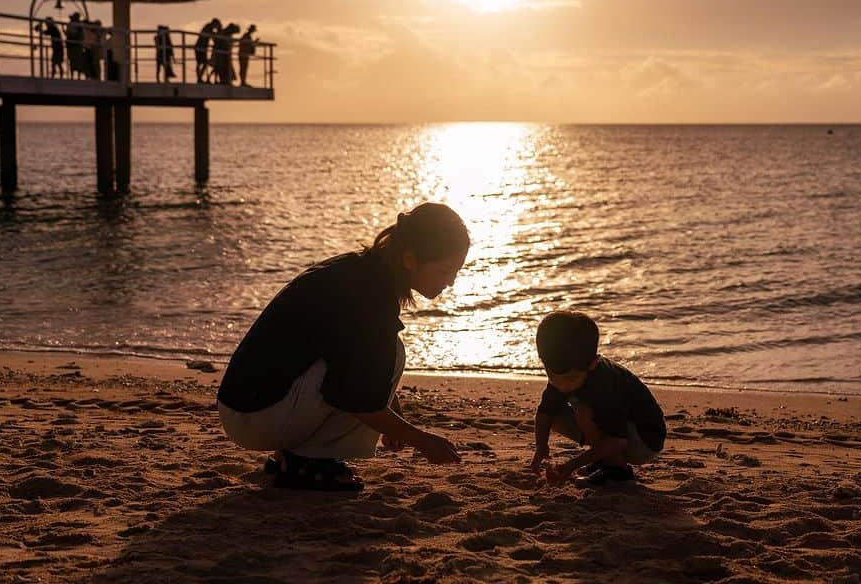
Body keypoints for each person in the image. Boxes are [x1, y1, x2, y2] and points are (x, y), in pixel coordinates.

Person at [217, 202, 470, 491]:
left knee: (387, 353)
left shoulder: (363, 272)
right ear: (411, 258)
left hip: (246, 405)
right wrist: (421, 440)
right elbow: (356, 396)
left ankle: (299, 457)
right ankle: (308, 462)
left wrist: (392, 410)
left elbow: (354, 362)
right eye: (445, 270)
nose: (450, 282)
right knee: (384, 358)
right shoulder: (368, 295)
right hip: (254, 413)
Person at [529, 311, 666, 487]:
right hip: (614, 432)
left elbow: (617, 440)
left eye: (571, 379)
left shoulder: (604, 383)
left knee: (583, 411)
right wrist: (541, 447)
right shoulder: (562, 367)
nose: (563, 385)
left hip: (644, 441)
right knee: (554, 416)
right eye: (554, 377)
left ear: (593, 363)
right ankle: (603, 460)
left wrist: (570, 466)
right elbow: (545, 412)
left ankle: (617, 470)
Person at [194, 18, 219, 83]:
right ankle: (199, 78)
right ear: (214, 24)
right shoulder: (209, 27)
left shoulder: (208, 27)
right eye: (216, 25)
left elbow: (211, 37)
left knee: (202, 63)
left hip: (202, 47)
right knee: (201, 63)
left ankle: (200, 78)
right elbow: (210, 36)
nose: (216, 27)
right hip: (200, 47)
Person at [65, 12, 85, 79]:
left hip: (76, 46)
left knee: (77, 62)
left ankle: (76, 76)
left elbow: (77, 35)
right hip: (73, 46)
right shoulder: (72, 24)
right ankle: (72, 76)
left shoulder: (79, 25)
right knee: (73, 62)